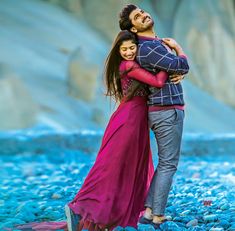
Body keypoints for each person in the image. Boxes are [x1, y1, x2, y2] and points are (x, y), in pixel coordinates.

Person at [14, 30, 168, 231]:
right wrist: (168, 61)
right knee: (112, 166)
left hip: (135, 120)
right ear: (118, 51)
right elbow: (157, 82)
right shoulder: (128, 65)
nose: (129, 51)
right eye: (125, 49)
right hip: (129, 120)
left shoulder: (134, 64)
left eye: (132, 48)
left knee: (126, 167)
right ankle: (80, 207)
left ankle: (110, 213)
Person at [119, 4, 190, 229]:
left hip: (165, 110)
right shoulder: (149, 49)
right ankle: (157, 215)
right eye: (137, 17)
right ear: (134, 28)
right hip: (167, 111)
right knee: (169, 164)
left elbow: (175, 69)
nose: (144, 15)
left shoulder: (155, 45)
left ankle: (149, 211)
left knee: (165, 163)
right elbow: (181, 65)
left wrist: (176, 70)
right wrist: (179, 49)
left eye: (142, 11)